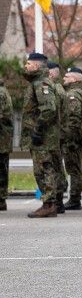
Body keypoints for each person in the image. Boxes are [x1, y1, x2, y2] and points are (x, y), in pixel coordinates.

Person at [21, 53, 60, 217]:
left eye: (29, 64)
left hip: (43, 137)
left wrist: (37, 130)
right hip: (41, 137)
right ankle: (49, 203)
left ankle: (49, 204)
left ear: (37, 66)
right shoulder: (37, 82)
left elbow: (49, 109)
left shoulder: (41, 83)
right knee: (43, 169)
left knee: (44, 169)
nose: (26, 67)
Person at [61, 67, 82, 211]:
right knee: (74, 168)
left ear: (75, 79)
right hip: (74, 136)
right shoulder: (76, 92)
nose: (64, 78)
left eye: (67, 76)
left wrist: (69, 139)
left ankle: (75, 199)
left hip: (73, 137)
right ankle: (74, 198)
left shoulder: (73, 95)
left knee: (74, 169)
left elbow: (74, 119)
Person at [47, 61, 68, 213]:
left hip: (55, 134)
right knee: (57, 166)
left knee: (55, 167)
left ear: (53, 74)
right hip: (59, 133)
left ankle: (57, 200)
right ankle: (59, 200)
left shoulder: (55, 90)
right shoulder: (60, 89)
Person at [0, 76, 11, 211]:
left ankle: (1, 199)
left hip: (2, 138)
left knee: (1, 170)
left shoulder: (1, 92)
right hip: (3, 137)